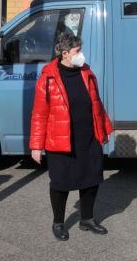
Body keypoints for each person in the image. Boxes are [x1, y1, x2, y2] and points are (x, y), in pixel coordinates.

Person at [30, 32, 113, 241]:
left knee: (91, 179)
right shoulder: (47, 79)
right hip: (61, 140)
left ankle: (87, 219)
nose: (81, 55)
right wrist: (36, 146)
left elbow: (97, 104)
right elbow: (39, 114)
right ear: (65, 53)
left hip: (88, 137)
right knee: (60, 183)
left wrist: (103, 130)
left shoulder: (86, 72)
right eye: (77, 51)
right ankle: (58, 222)